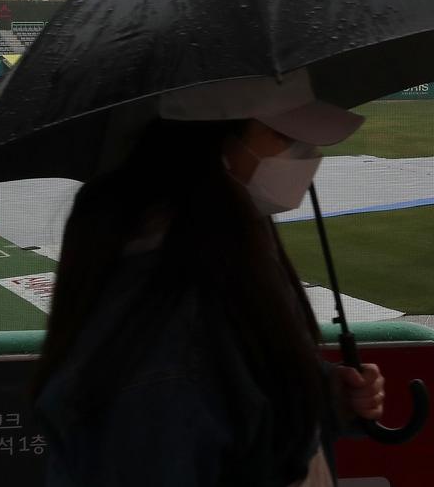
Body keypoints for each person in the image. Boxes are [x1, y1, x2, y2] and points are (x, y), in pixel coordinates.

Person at [32, 69, 386, 486]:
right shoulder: (164, 343)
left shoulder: (223, 254)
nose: (305, 155)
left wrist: (321, 396)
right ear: (215, 144)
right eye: (285, 137)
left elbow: (234, 400)